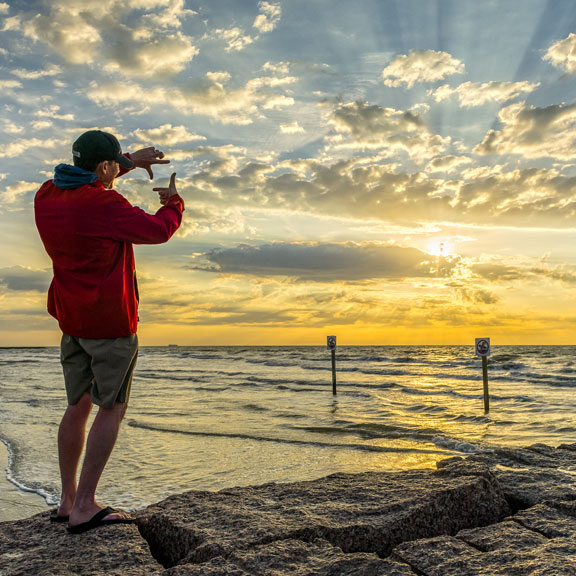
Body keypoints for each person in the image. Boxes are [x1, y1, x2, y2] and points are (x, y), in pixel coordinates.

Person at [34, 130, 185, 534]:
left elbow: (91, 178)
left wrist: (130, 160)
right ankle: (85, 505)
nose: (117, 171)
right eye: (113, 164)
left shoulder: (46, 194)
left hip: (72, 321)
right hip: (110, 324)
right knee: (112, 406)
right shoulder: (104, 204)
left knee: (77, 406)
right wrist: (173, 202)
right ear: (104, 168)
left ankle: (67, 500)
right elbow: (158, 230)